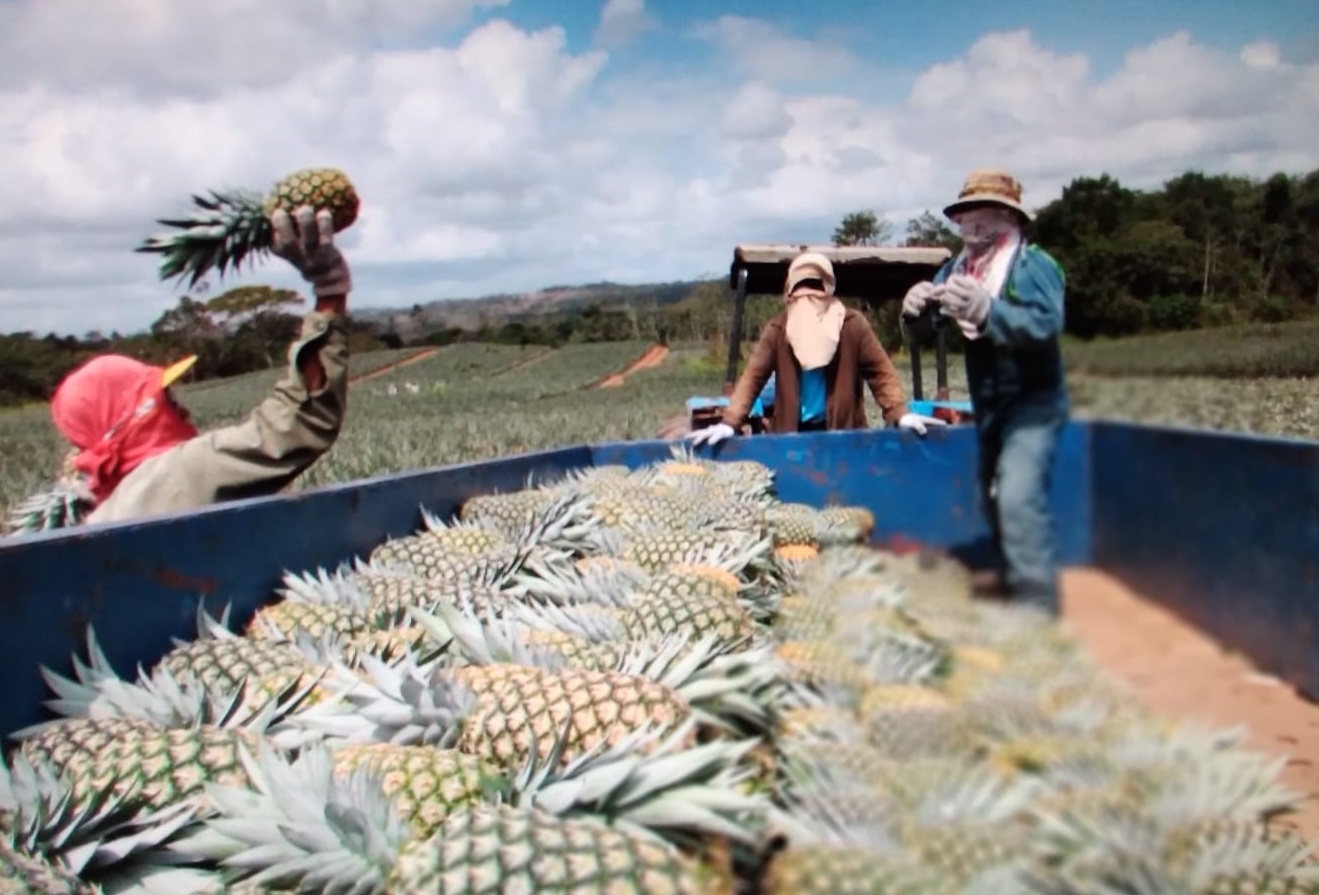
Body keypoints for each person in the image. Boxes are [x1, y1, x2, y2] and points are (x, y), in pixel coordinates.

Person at [39, 205, 353, 529]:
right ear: (134, 417)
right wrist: (330, 293)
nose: (183, 411)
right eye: (167, 401)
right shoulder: (174, 474)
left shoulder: (106, 510)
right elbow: (297, 425)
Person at [901, 169, 1069, 614]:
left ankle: (1036, 610)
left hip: (1033, 403)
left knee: (1016, 495)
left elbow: (1045, 325)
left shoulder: (1034, 267)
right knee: (986, 497)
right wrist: (915, 311)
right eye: (966, 221)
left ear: (1009, 221)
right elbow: (924, 330)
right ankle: (1014, 579)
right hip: (988, 404)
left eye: (984, 221)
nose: (973, 231)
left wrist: (990, 311)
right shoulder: (956, 269)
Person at [689, 251, 943, 446]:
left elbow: (880, 372)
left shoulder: (851, 326)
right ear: (789, 293)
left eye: (816, 288)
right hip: (791, 436)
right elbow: (753, 377)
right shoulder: (778, 330)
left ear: (828, 289)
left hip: (843, 434)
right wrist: (730, 422)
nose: (808, 299)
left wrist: (900, 412)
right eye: (801, 289)